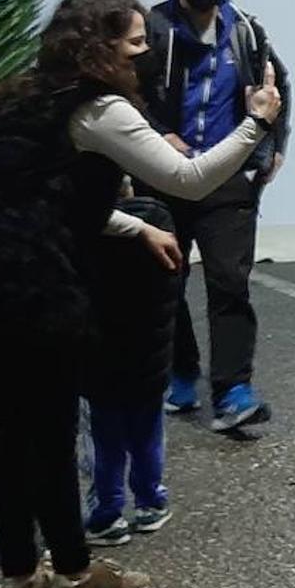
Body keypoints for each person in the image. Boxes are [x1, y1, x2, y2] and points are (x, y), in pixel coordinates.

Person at [0, 0, 280, 588]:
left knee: (13, 438)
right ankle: (73, 573)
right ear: (101, 49)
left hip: (2, 284)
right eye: (135, 42)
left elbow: (40, 195)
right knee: (50, 434)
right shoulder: (101, 109)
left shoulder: (25, 93)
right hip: (39, 290)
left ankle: (18, 576)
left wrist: (135, 224)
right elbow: (189, 177)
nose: (146, 52)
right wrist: (257, 120)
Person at [138, 0, 292, 433]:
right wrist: (160, 135)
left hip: (228, 174)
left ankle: (233, 391)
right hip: (164, 175)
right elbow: (127, 94)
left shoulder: (246, 31)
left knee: (230, 283)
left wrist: (275, 145)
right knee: (165, 284)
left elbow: (277, 86)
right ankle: (181, 371)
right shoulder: (153, 31)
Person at [80, 195, 183, 548]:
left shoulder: (87, 233)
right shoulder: (161, 229)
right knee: (147, 435)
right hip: (150, 362)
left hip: (100, 363)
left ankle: (107, 514)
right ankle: (150, 503)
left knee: (104, 441)